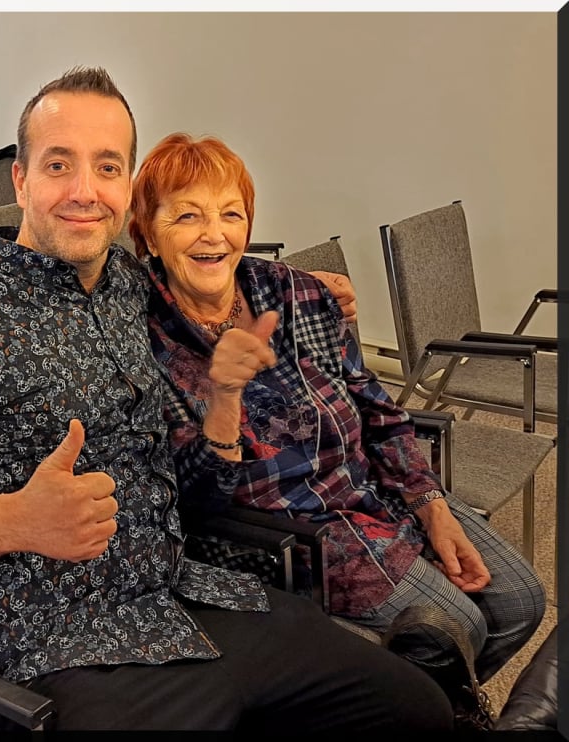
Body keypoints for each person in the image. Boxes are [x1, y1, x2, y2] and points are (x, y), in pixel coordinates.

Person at [0, 66, 454, 733]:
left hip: (184, 597)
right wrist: (15, 520)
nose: (85, 191)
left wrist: (301, 286)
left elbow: (208, 263)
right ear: (20, 180)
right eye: (59, 165)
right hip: (47, 647)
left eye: (107, 167)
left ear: (127, 186)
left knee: (418, 709)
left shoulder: (128, 287)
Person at [129, 132, 546, 692]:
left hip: (370, 490)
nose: (214, 233)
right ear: (148, 234)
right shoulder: (140, 337)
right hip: (291, 533)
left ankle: (431, 704)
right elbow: (194, 500)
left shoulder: (297, 293)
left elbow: (374, 405)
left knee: (521, 600)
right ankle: (411, 704)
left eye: (231, 213)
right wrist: (225, 396)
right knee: (457, 624)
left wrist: (429, 502)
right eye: (186, 216)